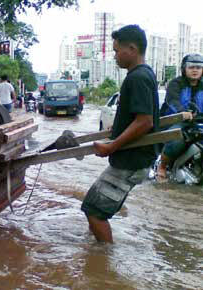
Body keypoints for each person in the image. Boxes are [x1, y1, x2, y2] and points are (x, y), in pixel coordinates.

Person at [81, 25, 159, 243]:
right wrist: (114, 131)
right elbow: (136, 117)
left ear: (132, 49)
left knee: (94, 212)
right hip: (134, 159)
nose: (114, 56)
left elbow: (145, 122)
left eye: (116, 51)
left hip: (131, 161)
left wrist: (111, 146)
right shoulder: (145, 74)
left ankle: (103, 267)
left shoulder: (137, 78)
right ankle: (94, 252)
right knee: (95, 207)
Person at [156, 53, 203, 179]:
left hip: (198, 122)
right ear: (184, 68)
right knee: (177, 138)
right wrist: (183, 112)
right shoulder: (175, 83)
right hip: (175, 120)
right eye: (191, 67)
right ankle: (162, 165)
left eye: (198, 67)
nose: (195, 70)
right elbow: (172, 101)